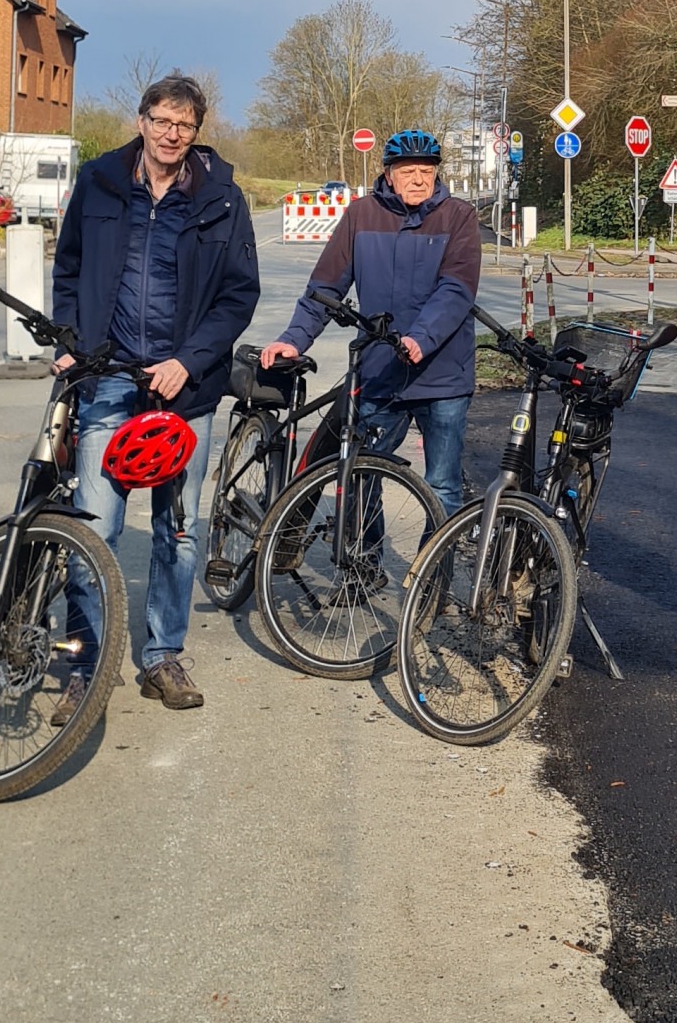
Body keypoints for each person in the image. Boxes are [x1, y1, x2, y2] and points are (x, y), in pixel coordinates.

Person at [52, 72, 260, 715]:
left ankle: (162, 656)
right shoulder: (99, 181)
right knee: (93, 528)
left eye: (184, 125)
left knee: (178, 532)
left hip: (184, 390)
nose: (172, 134)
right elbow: (69, 269)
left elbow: (238, 296)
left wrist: (188, 362)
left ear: (196, 131)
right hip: (109, 375)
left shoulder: (222, 198)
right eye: (162, 121)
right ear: (142, 121)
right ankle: (83, 663)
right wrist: (70, 341)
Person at [260, 129, 480, 515]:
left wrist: (421, 338)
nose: (418, 179)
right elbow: (325, 287)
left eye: (426, 171)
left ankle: (435, 559)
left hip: (442, 375)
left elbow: (456, 289)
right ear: (389, 174)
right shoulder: (361, 215)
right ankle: (364, 553)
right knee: (360, 477)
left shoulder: (459, 216)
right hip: (380, 371)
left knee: (442, 485)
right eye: (408, 171)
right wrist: (294, 339)